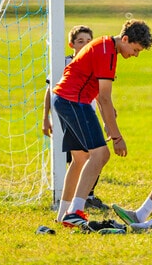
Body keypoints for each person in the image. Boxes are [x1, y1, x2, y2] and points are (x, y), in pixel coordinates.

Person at [52, 19, 152, 227]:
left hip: (64, 99)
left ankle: (63, 214)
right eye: (135, 49)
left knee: (80, 158)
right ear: (125, 39)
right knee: (101, 154)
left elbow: (98, 92)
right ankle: (76, 211)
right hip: (73, 101)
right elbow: (105, 98)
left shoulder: (107, 46)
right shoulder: (107, 51)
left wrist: (108, 122)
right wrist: (117, 137)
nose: (135, 55)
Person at [42, 25, 108, 210]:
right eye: (80, 41)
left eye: (89, 41)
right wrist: (45, 118)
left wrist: (106, 119)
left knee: (91, 155)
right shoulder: (63, 63)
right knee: (85, 155)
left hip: (87, 111)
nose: (85, 45)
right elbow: (51, 89)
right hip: (68, 110)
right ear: (71, 44)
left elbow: (100, 94)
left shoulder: (95, 62)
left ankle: (87, 197)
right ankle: (71, 203)